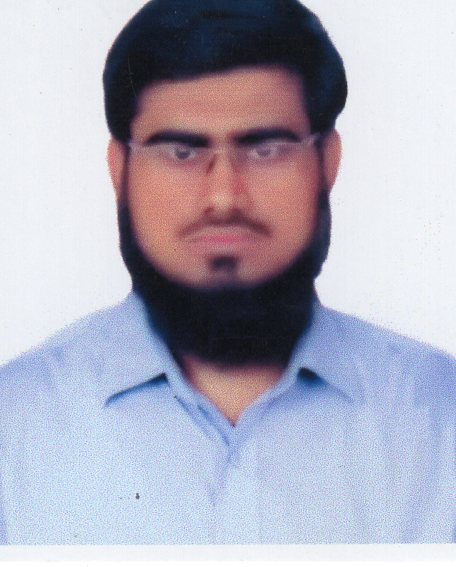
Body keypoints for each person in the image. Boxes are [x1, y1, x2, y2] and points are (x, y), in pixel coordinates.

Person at [0, 0, 454, 546]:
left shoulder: (440, 417)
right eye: (181, 152)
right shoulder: (14, 426)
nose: (223, 198)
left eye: (265, 149)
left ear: (327, 163)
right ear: (119, 170)